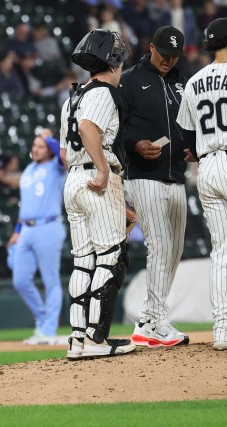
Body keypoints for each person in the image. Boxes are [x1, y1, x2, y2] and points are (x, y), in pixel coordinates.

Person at [60, 29, 135, 359]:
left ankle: (77, 340)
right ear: (115, 62)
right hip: (95, 175)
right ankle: (96, 340)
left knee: (83, 261)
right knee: (112, 256)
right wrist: (104, 170)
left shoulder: (72, 97)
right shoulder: (103, 93)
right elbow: (89, 127)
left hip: (73, 180)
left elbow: (64, 154)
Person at [120, 26, 190, 348]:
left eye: (175, 55)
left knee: (173, 251)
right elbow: (116, 128)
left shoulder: (182, 80)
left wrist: (193, 147)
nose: (169, 60)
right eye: (164, 53)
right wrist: (135, 144)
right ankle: (156, 321)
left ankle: (150, 319)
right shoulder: (132, 79)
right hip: (143, 174)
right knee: (160, 244)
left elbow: (189, 125)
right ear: (151, 48)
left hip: (176, 174)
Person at [176, 18, 227, 352]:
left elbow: (186, 139)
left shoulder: (194, 81)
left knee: (221, 251)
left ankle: (221, 329)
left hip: (208, 166)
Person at [7, 131, 66, 344]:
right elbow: (26, 204)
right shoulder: (29, 169)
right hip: (27, 229)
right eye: (35, 145)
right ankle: (43, 319)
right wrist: (16, 230)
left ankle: (48, 330)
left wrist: (50, 139)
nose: (36, 149)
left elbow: (63, 155)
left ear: (48, 149)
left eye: (41, 146)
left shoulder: (56, 168)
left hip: (48, 226)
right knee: (20, 280)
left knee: (51, 280)